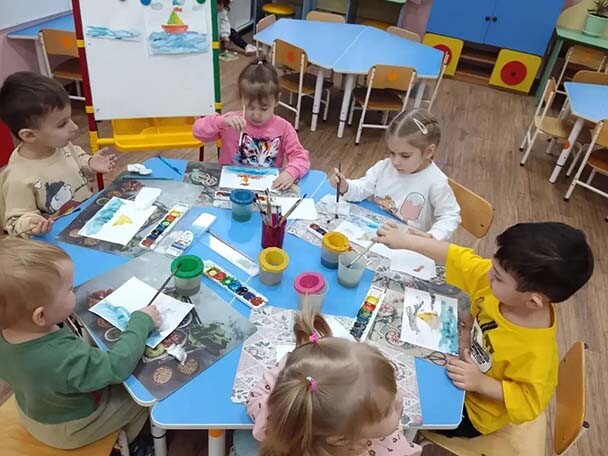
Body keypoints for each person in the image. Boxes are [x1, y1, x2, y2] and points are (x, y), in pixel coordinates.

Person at [373, 221, 594, 437]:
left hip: (472, 410)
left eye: (497, 276)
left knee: (382, 405)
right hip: (457, 357)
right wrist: (406, 241)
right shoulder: (501, 286)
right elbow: (458, 258)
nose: (488, 275)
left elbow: (529, 403)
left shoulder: (536, 352)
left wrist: (481, 383)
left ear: (532, 301)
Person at [0, 237, 161, 449]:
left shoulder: (10, 330)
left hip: (35, 409)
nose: (75, 290)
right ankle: (136, 445)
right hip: (73, 427)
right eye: (69, 289)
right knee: (143, 398)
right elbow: (116, 367)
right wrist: (141, 322)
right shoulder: (61, 356)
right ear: (40, 316)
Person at [232, 303, 421, 455]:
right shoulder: (394, 449)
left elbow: (254, 399)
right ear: (340, 439)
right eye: (387, 410)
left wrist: (292, 372)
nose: (400, 400)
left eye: (393, 391)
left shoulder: (283, 417)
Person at [0, 72, 116, 236]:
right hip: (57, 241)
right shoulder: (18, 177)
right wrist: (30, 224)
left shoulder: (62, 146)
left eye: (70, 118)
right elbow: (14, 222)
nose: (75, 127)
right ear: (30, 135)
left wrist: (89, 164)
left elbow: (78, 161)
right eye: (62, 124)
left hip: (87, 224)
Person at [329, 109, 460, 240]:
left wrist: (433, 236)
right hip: (375, 230)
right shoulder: (385, 167)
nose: (395, 162)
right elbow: (364, 187)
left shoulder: (436, 182)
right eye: (392, 153)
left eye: (405, 155)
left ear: (428, 152)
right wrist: (346, 187)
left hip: (408, 242)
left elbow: (450, 216)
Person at [193, 58, 310, 191]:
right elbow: (197, 132)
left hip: (266, 190)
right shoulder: (230, 122)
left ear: (277, 100)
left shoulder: (284, 128)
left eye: (264, 109)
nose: (256, 115)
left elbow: (301, 157)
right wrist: (221, 121)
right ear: (242, 99)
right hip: (230, 188)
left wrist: (291, 173)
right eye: (250, 107)